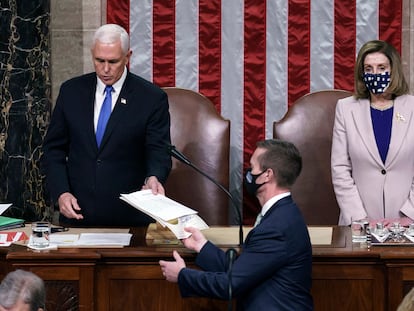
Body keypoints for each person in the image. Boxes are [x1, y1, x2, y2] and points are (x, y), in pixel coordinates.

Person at [41, 24, 172, 227]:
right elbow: (53, 150)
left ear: (128, 57)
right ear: (92, 54)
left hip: (130, 220)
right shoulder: (71, 92)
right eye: (99, 60)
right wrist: (61, 192)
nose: (105, 69)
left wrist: (154, 177)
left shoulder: (151, 98)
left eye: (113, 61)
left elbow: (158, 150)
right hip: (78, 216)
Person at [159, 139, 313, 310]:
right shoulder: (284, 214)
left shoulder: (275, 227)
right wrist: (202, 246)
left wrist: (182, 275)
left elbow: (230, 285)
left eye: (252, 167)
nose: (248, 172)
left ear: (267, 175)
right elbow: (246, 270)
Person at [331, 39, 414, 226]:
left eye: (381, 67)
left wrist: (408, 216)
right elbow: (340, 169)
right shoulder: (345, 108)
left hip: (407, 222)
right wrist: (358, 217)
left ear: (393, 71)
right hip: (359, 222)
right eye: (369, 69)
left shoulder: (412, 108)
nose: (375, 74)